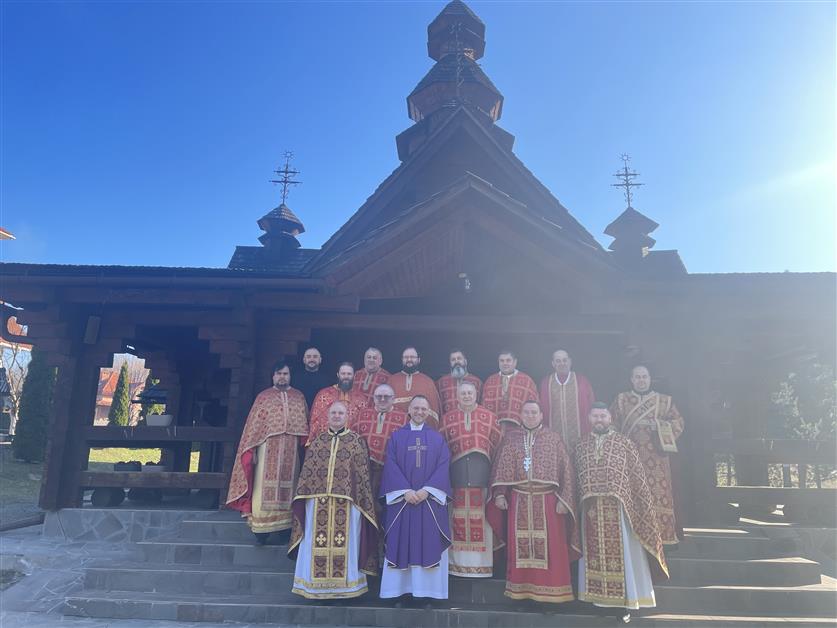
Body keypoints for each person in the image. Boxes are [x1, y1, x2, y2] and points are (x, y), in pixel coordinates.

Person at [576, 403, 668, 621]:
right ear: (589, 418)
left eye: (603, 415)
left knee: (624, 554)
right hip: (590, 509)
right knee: (592, 555)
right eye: (595, 415)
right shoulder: (580, 445)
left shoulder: (624, 444)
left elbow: (637, 480)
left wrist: (636, 506)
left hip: (619, 509)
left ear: (610, 418)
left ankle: (625, 602)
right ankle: (596, 601)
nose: (599, 419)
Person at [486, 401, 579, 604]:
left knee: (552, 550)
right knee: (520, 550)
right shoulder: (511, 439)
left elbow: (567, 471)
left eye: (534, 412)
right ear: (520, 415)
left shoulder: (553, 439)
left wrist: (565, 499)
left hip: (548, 501)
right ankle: (522, 595)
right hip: (518, 500)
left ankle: (552, 596)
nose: (530, 416)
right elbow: (501, 468)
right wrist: (500, 494)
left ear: (541, 415)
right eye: (526, 412)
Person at [289, 401, 378, 599]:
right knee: (314, 541)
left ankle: (346, 590)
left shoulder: (356, 441)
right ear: (327, 416)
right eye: (334, 413)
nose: (337, 416)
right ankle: (316, 589)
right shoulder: (318, 441)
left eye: (341, 413)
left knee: (347, 544)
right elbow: (307, 475)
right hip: (318, 502)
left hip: (348, 504)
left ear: (347, 416)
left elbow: (362, 478)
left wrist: (360, 502)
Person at [226, 360, 308, 544]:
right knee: (262, 488)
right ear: (273, 376)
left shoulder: (298, 397)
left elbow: (304, 426)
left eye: (285, 374)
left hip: (290, 450)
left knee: (290, 487)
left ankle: (285, 529)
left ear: (290, 376)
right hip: (266, 449)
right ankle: (261, 532)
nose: (282, 377)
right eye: (279, 374)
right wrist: (252, 450)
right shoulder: (264, 397)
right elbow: (253, 428)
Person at [379, 395, 452, 602]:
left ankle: (428, 593)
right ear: (409, 410)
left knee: (428, 543)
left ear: (429, 412)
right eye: (416, 408)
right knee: (401, 543)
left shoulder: (438, 439)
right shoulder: (396, 437)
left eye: (423, 409)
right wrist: (405, 491)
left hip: (428, 501)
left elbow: (443, 466)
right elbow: (391, 465)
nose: (420, 412)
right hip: (404, 501)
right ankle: (399, 592)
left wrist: (427, 491)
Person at [610, 365, 684, 546]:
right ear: (632, 379)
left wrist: (660, 427)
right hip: (630, 459)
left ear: (650, 379)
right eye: (637, 377)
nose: (641, 380)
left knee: (657, 496)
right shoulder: (621, 400)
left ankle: (662, 537)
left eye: (644, 376)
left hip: (657, 461)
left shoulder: (665, 401)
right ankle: (634, 536)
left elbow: (679, 423)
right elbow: (611, 424)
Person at [440, 382, 501, 577]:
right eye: (463, 393)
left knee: (481, 521)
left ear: (476, 394)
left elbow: (497, 448)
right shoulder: (447, 419)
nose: (466, 396)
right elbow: (441, 450)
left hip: (481, 479)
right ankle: (456, 567)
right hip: (455, 480)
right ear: (456, 396)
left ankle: (481, 567)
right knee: (455, 520)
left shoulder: (489, 417)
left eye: (470, 393)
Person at [350, 384, 408, 500]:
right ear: (374, 398)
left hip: (391, 471)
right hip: (364, 470)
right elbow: (352, 440)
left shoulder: (404, 418)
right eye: (378, 396)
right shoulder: (362, 415)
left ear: (393, 399)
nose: (382, 400)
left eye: (386, 397)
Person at [539, 349, 596, 450]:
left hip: (581, 437)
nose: (562, 363)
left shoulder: (582, 381)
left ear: (570, 361)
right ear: (553, 363)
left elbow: (592, 406)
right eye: (558, 361)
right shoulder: (546, 383)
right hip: (554, 438)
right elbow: (541, 410)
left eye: (564, 360)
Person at [306, 362, 369, 446]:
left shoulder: (361, 398)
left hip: (352, 445)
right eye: (343, 373)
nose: (346, 376)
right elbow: (316, 421)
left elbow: (364, 424)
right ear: (338, 375)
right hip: (326, 444)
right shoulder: (324, 394)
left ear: (354, 376)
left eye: (349, 374)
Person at [481, 351, 539, 428]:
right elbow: (484, 406)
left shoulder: (527, 381)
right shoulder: (490, 381)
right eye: (502, 361)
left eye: (508, 360)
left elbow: (534, 405)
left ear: (515, 362)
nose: (505, 363)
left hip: (519, 428)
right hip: (494, 427)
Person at [388, 347, 441, 428]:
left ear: (419, 360)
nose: (409, 359)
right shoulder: (392, 380)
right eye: (406, 357)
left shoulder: (428, 382)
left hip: (420, 430)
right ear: (402, 359)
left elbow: (434, 412)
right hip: (395, 428)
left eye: (412, 357)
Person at [436, 348, 483, 415]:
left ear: (465, 362)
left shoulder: (477, 382)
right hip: (449, 422)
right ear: (450, 363)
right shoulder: (441, 383)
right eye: (453, 360)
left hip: (473, 420)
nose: (456, 361)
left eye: (459, 358)